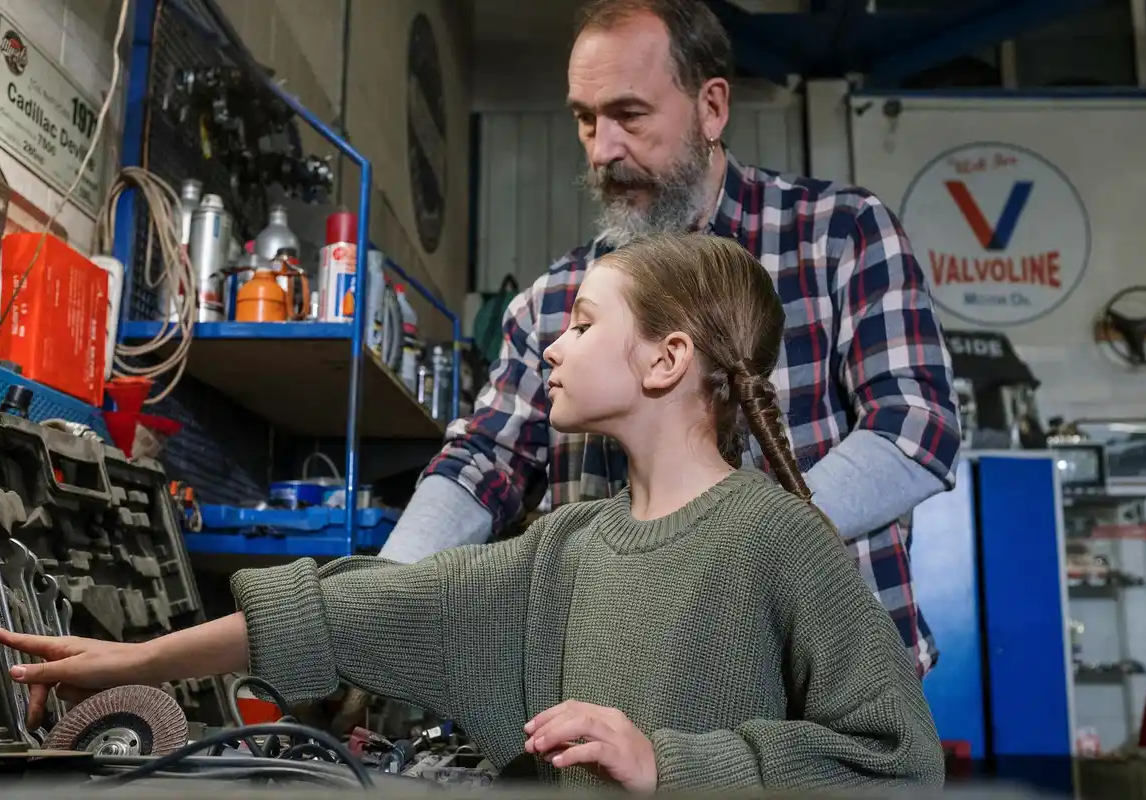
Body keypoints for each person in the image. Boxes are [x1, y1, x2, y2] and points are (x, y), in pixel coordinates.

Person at [0, 233, 944, 791]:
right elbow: (347, 609)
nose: (553, 350)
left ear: (666, 360)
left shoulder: (777, 539)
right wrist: (136, 661)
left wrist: (669, 764)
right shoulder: (567, 548)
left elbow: (897, 762)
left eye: (580, 325)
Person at [379, 0, 961, 678]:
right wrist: (379, 600)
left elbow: (916, 428)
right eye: (584, 119)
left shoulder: (841, 237)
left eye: (629, 115)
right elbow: (481, 462)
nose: (603, 150)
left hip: (830, 695)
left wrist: (728, 549)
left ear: (711, 108)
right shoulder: (554, 302)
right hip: (627, 696)